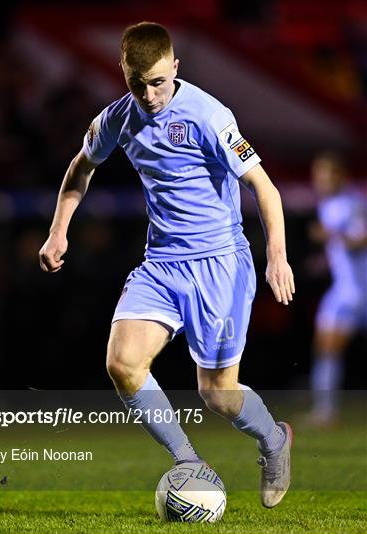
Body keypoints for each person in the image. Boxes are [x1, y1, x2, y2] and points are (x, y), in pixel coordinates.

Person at [39, 22, 295, 508]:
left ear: (175, 68)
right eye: (139, 83)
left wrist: (276, 257)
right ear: (124, 73)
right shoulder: (116, 118)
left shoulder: (210, 116)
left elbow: (265, 188)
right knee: (123, 363)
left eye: (159, 81)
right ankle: (188, 463)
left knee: (217, 394)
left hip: (219, 263)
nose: (150, 94)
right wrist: (58, 230)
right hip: (161, 264)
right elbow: (80, 169)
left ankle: (275, 439)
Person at [308, 152, 367, 427]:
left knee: (329, 346)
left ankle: (326, 410)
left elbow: (359, 240)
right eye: (317, 175)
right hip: (344, 288)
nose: (321, 180)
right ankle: (325, 410)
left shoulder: (351, 203)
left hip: (357, 290)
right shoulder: (329, 205)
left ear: (340, 176)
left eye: (326, 174)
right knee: (325, 345)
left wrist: (329, 234)